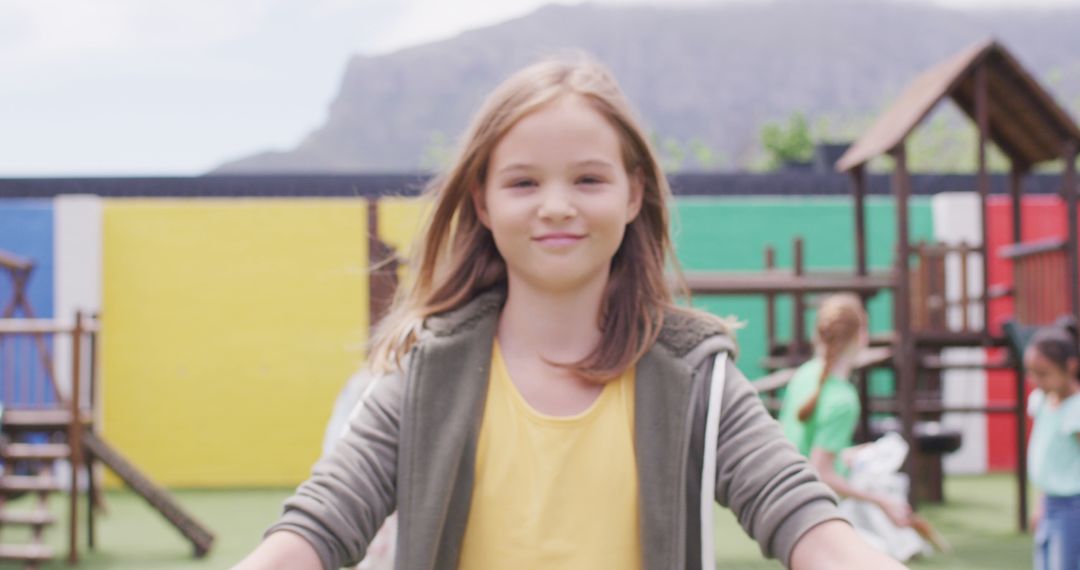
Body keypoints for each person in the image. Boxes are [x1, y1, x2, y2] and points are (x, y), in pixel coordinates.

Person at [233, 56, 905, 570]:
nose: (556, 205)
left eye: (588, 179)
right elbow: (316, 529)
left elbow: (807, 523)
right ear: (484, 201)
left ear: (634, 193)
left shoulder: (695, 377)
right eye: (524, 182)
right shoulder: (424, 376)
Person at [778, 294, 928, 561]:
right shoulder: (843, 400)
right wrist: (882, 502)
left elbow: (803, 446)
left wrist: (848, 453)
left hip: (787, 506)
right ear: (861, 335)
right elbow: (821, 472)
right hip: (814, 511)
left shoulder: (803, 375)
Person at [1024, 319, 1080, 570]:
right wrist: (1040, 503)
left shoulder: (1076, 410)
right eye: (1032, 373)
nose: (1036, 380)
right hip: (1050, 502)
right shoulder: (1041, 400)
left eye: (1043, 374)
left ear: (1070, 367)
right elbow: (1048, 464)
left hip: (1072, 508)